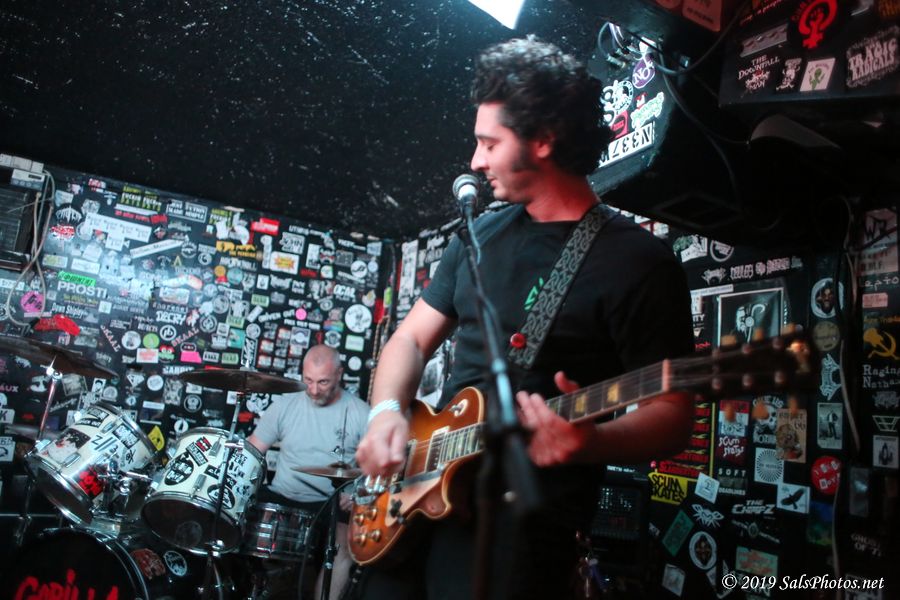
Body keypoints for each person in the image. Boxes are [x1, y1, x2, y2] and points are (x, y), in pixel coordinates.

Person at [355, 36, 695, 599]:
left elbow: (674, 415)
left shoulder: (638, 263)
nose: (475, 161)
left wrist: (592, 443)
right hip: (414, 501)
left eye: (489, 143)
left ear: (542, 140)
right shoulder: (480, 234)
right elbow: (410, 340)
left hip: (520, 537)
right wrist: (386, 413)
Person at [247, 344, 369, 599]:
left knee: (345, 544)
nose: (313, 390)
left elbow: (375, 467)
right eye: (308, 380)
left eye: (323, 382)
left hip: (330, 503)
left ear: (339, 374)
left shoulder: (360, 413)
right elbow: (253, 449)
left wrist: (358, 492)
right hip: (282, 496)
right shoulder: (285, 405)